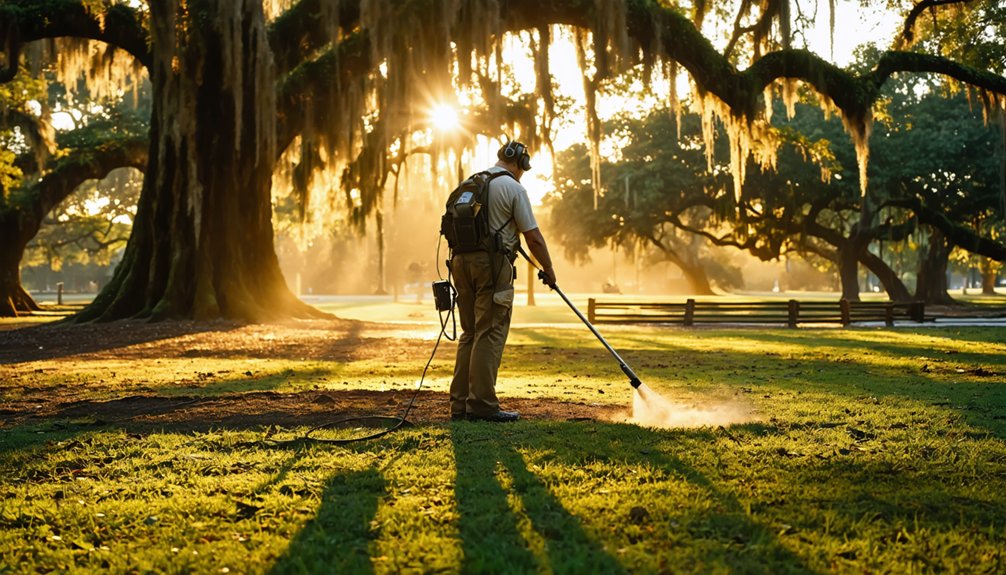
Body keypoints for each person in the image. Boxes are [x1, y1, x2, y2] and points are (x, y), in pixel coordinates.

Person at [450, 140, 556, 423]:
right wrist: (549, 268)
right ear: (521, 163)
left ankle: (460, 405)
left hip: (460, 263)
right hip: (491, 266)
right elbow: (533, 237)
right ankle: (483, 405)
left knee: (470, 333)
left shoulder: (470, 182)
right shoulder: (513, 188)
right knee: (489, 331)